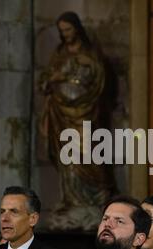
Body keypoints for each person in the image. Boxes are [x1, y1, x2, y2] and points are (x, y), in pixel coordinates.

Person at [39, 11, 116, 231]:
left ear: (77, 29)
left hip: (85, 113)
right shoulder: (60, 53)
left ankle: (96, 198)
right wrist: (53, 81)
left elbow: (100, 82)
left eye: (69, 30)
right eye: (62, 31)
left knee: (88, 154)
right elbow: (45, 81)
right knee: (68, 162)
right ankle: (72, 202)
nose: (66, 35)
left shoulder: (90, 54)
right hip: (60, 115)